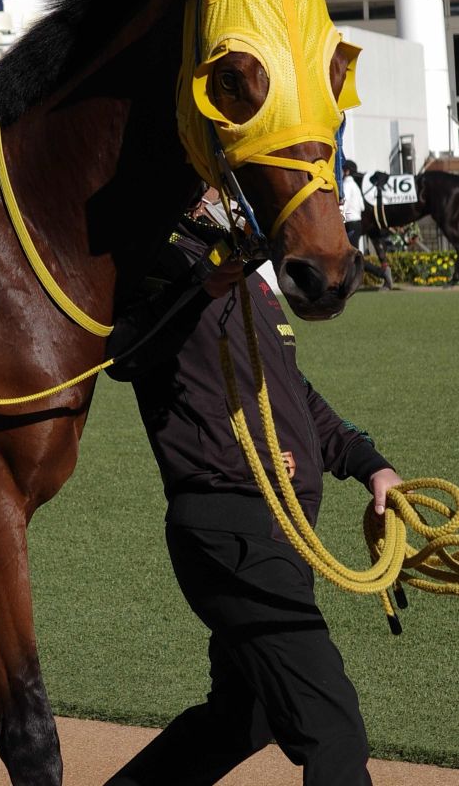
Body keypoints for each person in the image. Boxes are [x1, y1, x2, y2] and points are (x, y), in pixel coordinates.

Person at [102, 189, 402, 786]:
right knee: (333, 726)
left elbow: (293, 391)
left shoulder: (246, 272)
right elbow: (121, 353)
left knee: (244, 714)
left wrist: (370, 464)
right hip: (232, 526)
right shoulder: (160, 255)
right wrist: (198, 289)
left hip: (278, 531)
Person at [341, 159, 393, 289]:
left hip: (350, 224)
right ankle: (350, 282)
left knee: (352, 257)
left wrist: (340, 220)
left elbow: (343, 205)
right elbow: (362, 207)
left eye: (342, 169)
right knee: (350, 256)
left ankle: (381, 273)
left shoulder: (346, 186)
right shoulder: (355, 187)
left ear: (347, 171)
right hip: (357, 223)